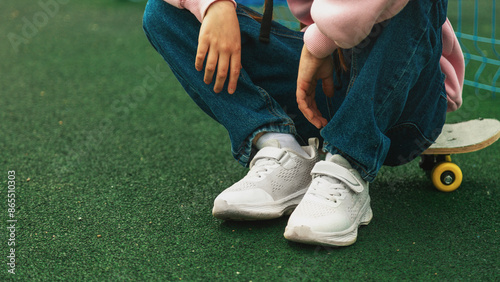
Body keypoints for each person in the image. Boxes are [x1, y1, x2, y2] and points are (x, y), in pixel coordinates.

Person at [142, 0, 464, 246]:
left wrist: (319, 39)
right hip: (325, 81)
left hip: (402, 93)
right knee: (164, 12)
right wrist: (214, 6)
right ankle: (280, 148)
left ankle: (348, 161)